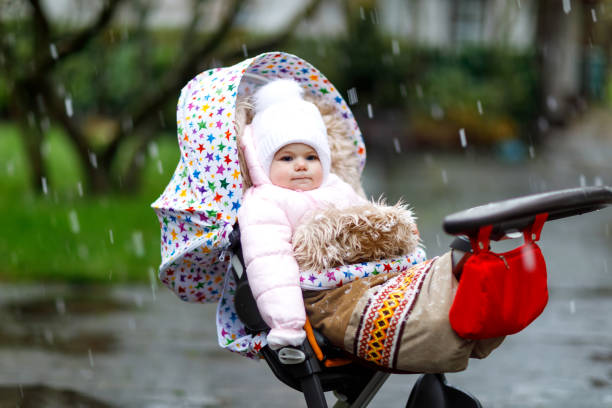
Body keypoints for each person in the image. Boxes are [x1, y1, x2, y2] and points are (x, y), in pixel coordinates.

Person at [238, 78, 502, 372]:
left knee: (403, 273)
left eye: (311, 157)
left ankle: (465, 292)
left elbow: (364, 217)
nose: (301, 165)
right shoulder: (265, 202)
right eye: (287, 157)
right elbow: (270, 266)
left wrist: (390, 233)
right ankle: (442, 317)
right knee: (397, 317)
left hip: (373, 276)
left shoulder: (336, 186)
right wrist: (286, 324)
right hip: (325, 296)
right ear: (263, 162)